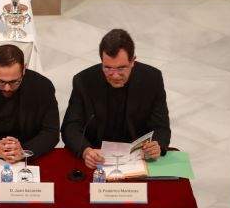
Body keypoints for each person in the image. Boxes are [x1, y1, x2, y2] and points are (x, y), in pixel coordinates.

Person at [61, 28, 170, 169]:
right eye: (108, 68)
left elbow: (161, 127)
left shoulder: (152, 79)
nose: (115, 75)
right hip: (97, 156)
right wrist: (86, 151)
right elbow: (70, 127)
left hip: (137, 158)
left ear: (133, 61)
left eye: (121, 68)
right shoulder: (84, 81)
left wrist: (156, 145)